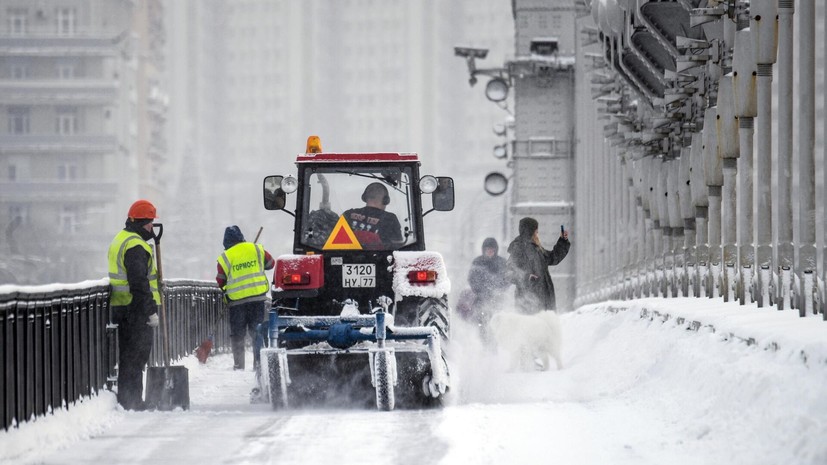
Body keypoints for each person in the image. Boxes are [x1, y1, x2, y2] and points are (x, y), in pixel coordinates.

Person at [107, 199, 161, 411]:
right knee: (136, 357)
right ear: (141, 222)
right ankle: (133, 402)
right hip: (135, 310)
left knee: (129, 356)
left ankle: (129, 399)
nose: (152, 228)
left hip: (122, 307)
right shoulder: (136, 245)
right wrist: (150, 311)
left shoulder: (122, 239)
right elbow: (138, 282)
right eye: (150, 223)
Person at [216, 225, 274, 370]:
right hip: (257, 299)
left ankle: (239, 364)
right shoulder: (256, 249)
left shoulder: (225, 256)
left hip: (237, 302)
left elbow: (221, 280)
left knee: (238, 334)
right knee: (257, 331)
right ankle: (259, 363)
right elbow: (271, 264)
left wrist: (226, 290)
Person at [506, 217, 570, 313]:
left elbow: (553, 257)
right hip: (528, 304)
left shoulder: (537, 249)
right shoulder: (518, 248)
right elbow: (509, 273)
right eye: (536, 232)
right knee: (532, 327)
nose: (537, 234)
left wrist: (563, 241)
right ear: (530, 232)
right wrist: (527, 277)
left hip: (543, 302)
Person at [465, 237, 509, 336]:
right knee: (482, 324)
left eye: (492, 250)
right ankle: (483, 344)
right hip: (481, 300)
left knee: (498, 325)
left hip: (498, 300)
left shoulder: (502, 263)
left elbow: (507, 280)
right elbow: (471, 279)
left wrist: (498, 291)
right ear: (484, 250)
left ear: (495, 250)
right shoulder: (477, 262)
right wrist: (481, 292)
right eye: (487, 250)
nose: (490, 252)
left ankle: (496, 344)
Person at [341, 182, 403, 246]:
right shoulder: (390, 219)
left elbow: (338, 245)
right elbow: (398, 248)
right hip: (380, 256)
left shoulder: (348, 214)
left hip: (349, 255)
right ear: (385, 200)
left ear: (364, 197)